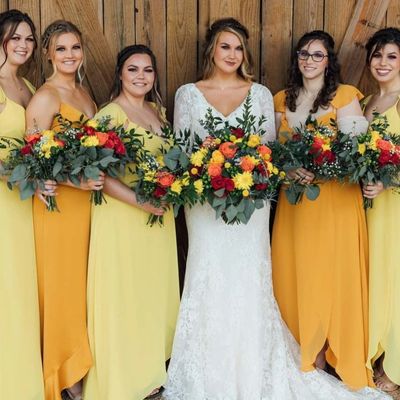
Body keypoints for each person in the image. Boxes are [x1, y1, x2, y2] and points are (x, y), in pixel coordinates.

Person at [165, 19, 387, 400]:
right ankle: (206, 368)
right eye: (225, 47)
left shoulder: (262, 94)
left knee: (250, 279)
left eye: (238, 48)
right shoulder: (188, 94)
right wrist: (213, 171)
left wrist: (244, 172)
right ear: (211, 52)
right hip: (203, 202)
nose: (232, 55)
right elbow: (183, 153)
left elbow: (269, 154)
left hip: (251, 205)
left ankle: (256, 366)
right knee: (207, 273)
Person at [271, 30, 373, 389]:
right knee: (299, 270)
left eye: (318, 55)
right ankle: (305, 352)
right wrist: (288, 168)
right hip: (296, 203)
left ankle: (334, 351)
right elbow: (272, 151)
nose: (309, 61)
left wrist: (325, 166)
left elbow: (358, 151)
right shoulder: (281, 100)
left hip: (335, 201)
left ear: (329, 61)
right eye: (304, 54)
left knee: (332, 273)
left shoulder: (344, 96)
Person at [83, 44, 180, 400]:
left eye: (148, 70)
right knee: (124, 295)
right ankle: (123, 381)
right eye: (133, 69)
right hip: (124, 216)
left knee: (151, 294)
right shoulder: (109, 114)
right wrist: (141, 201)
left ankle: (150, 375)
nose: (141, 76)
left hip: (158, 218)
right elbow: (99, 174)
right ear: (120, 74)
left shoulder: (158, 112)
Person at [25, 20, 104, 400]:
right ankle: (64, 376)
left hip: (86, 208)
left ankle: (81, 363)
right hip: (58, 208)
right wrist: (77, 183)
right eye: (61, 49)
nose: (70, 55)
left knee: (84, 286)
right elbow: (35, 161)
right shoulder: (45, 97)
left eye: (75, 47)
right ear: (48, 55)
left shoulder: (84, 92)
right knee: (62, 290)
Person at [0, 9, 44, 400]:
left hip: (23, 200)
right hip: (3, 201)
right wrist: (23, 174)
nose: (23, 45)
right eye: (15, 37)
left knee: (23, 289)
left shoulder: (27, 85)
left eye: (29, 39)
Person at [362, 27, 400, 393]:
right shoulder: (367, 103)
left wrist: (388, 182)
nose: (382, 62)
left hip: (395, 205)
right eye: (377, 55)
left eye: (391, 55)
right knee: (376, 275)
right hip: (369, 207)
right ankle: (375, 353)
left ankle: (396, 368)